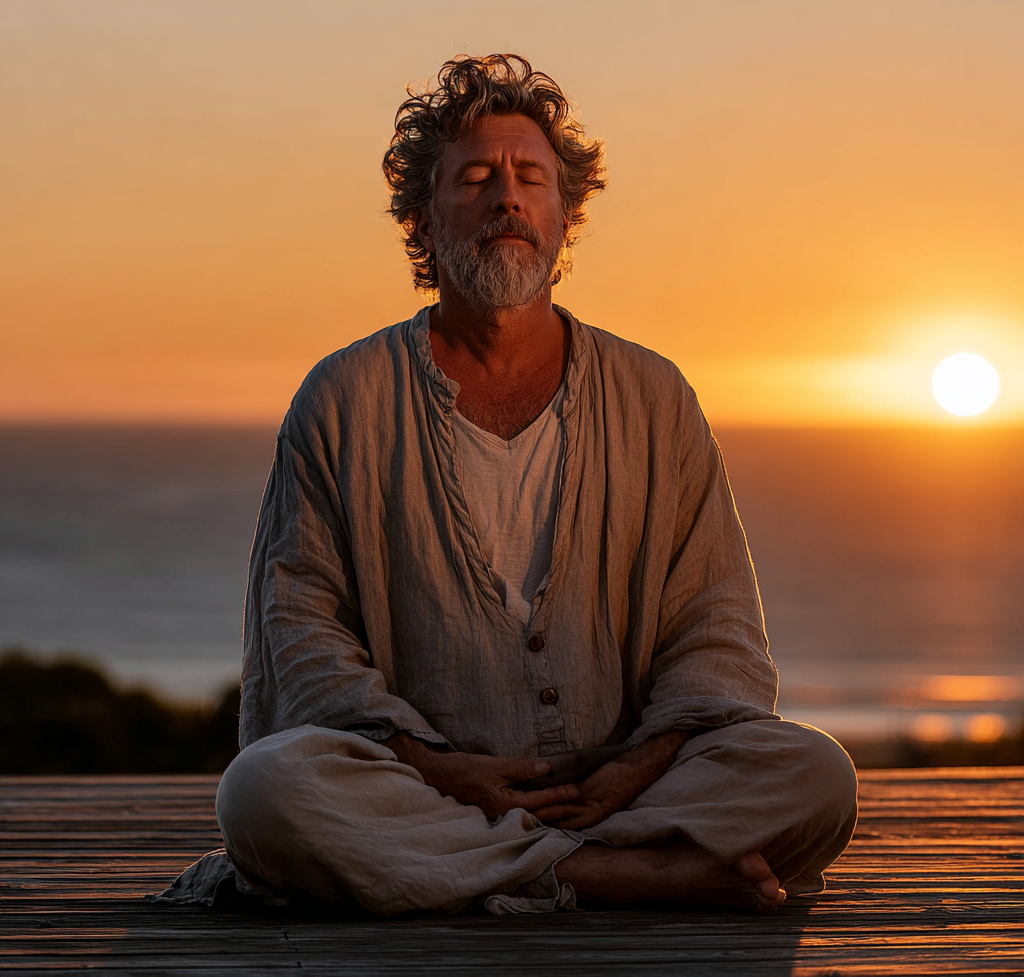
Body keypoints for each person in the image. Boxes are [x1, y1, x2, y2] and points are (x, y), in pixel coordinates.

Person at [168, 54, 857, 918]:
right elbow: (299, 631)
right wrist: (437, 768)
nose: (507, 198)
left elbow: (713, 619)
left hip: (626, 790)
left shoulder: (654, 397)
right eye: (477, 179)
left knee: (817, 776)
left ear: (565, 215)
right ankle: (624, 877)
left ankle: (490, 869)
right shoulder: (344, 400)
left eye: (531, 177)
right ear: (423, 217)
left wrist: (639, 765)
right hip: (423, 789)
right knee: (263, 794)